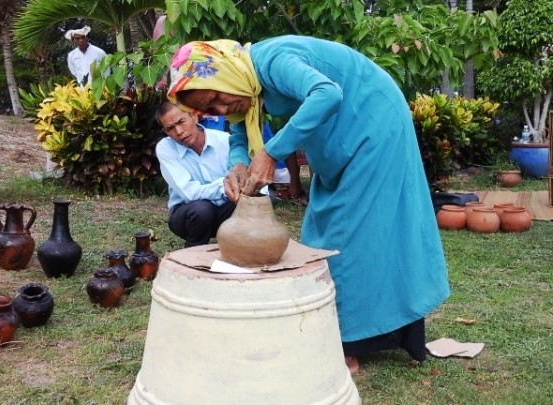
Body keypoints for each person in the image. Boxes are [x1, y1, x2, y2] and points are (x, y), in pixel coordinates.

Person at [166, 36, 451, 373]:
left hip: (374, 124)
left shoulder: (272, 60)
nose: (221, 110)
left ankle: (347, 343)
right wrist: (238, 165)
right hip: (342, 137)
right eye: (210, 110)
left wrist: (272, 152)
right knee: (324, 227)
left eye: (216, 98)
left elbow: (327, 93)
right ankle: (347, 327)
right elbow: (240, 134)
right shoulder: (246, 87)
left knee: (349, 235)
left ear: (225, 73)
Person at [155, 102, 236, 247]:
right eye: (171, 128)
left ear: (194, 116)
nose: (179, 131)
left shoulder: (224, 140)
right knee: (202, 209)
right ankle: (193, 252)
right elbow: (189, 193)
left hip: (225, 212)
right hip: (188, 215)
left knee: (261, 199)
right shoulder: (165, 148)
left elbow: (242, 179)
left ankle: (238, 246)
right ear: (166, 132)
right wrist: (225, 186)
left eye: (181, 122)